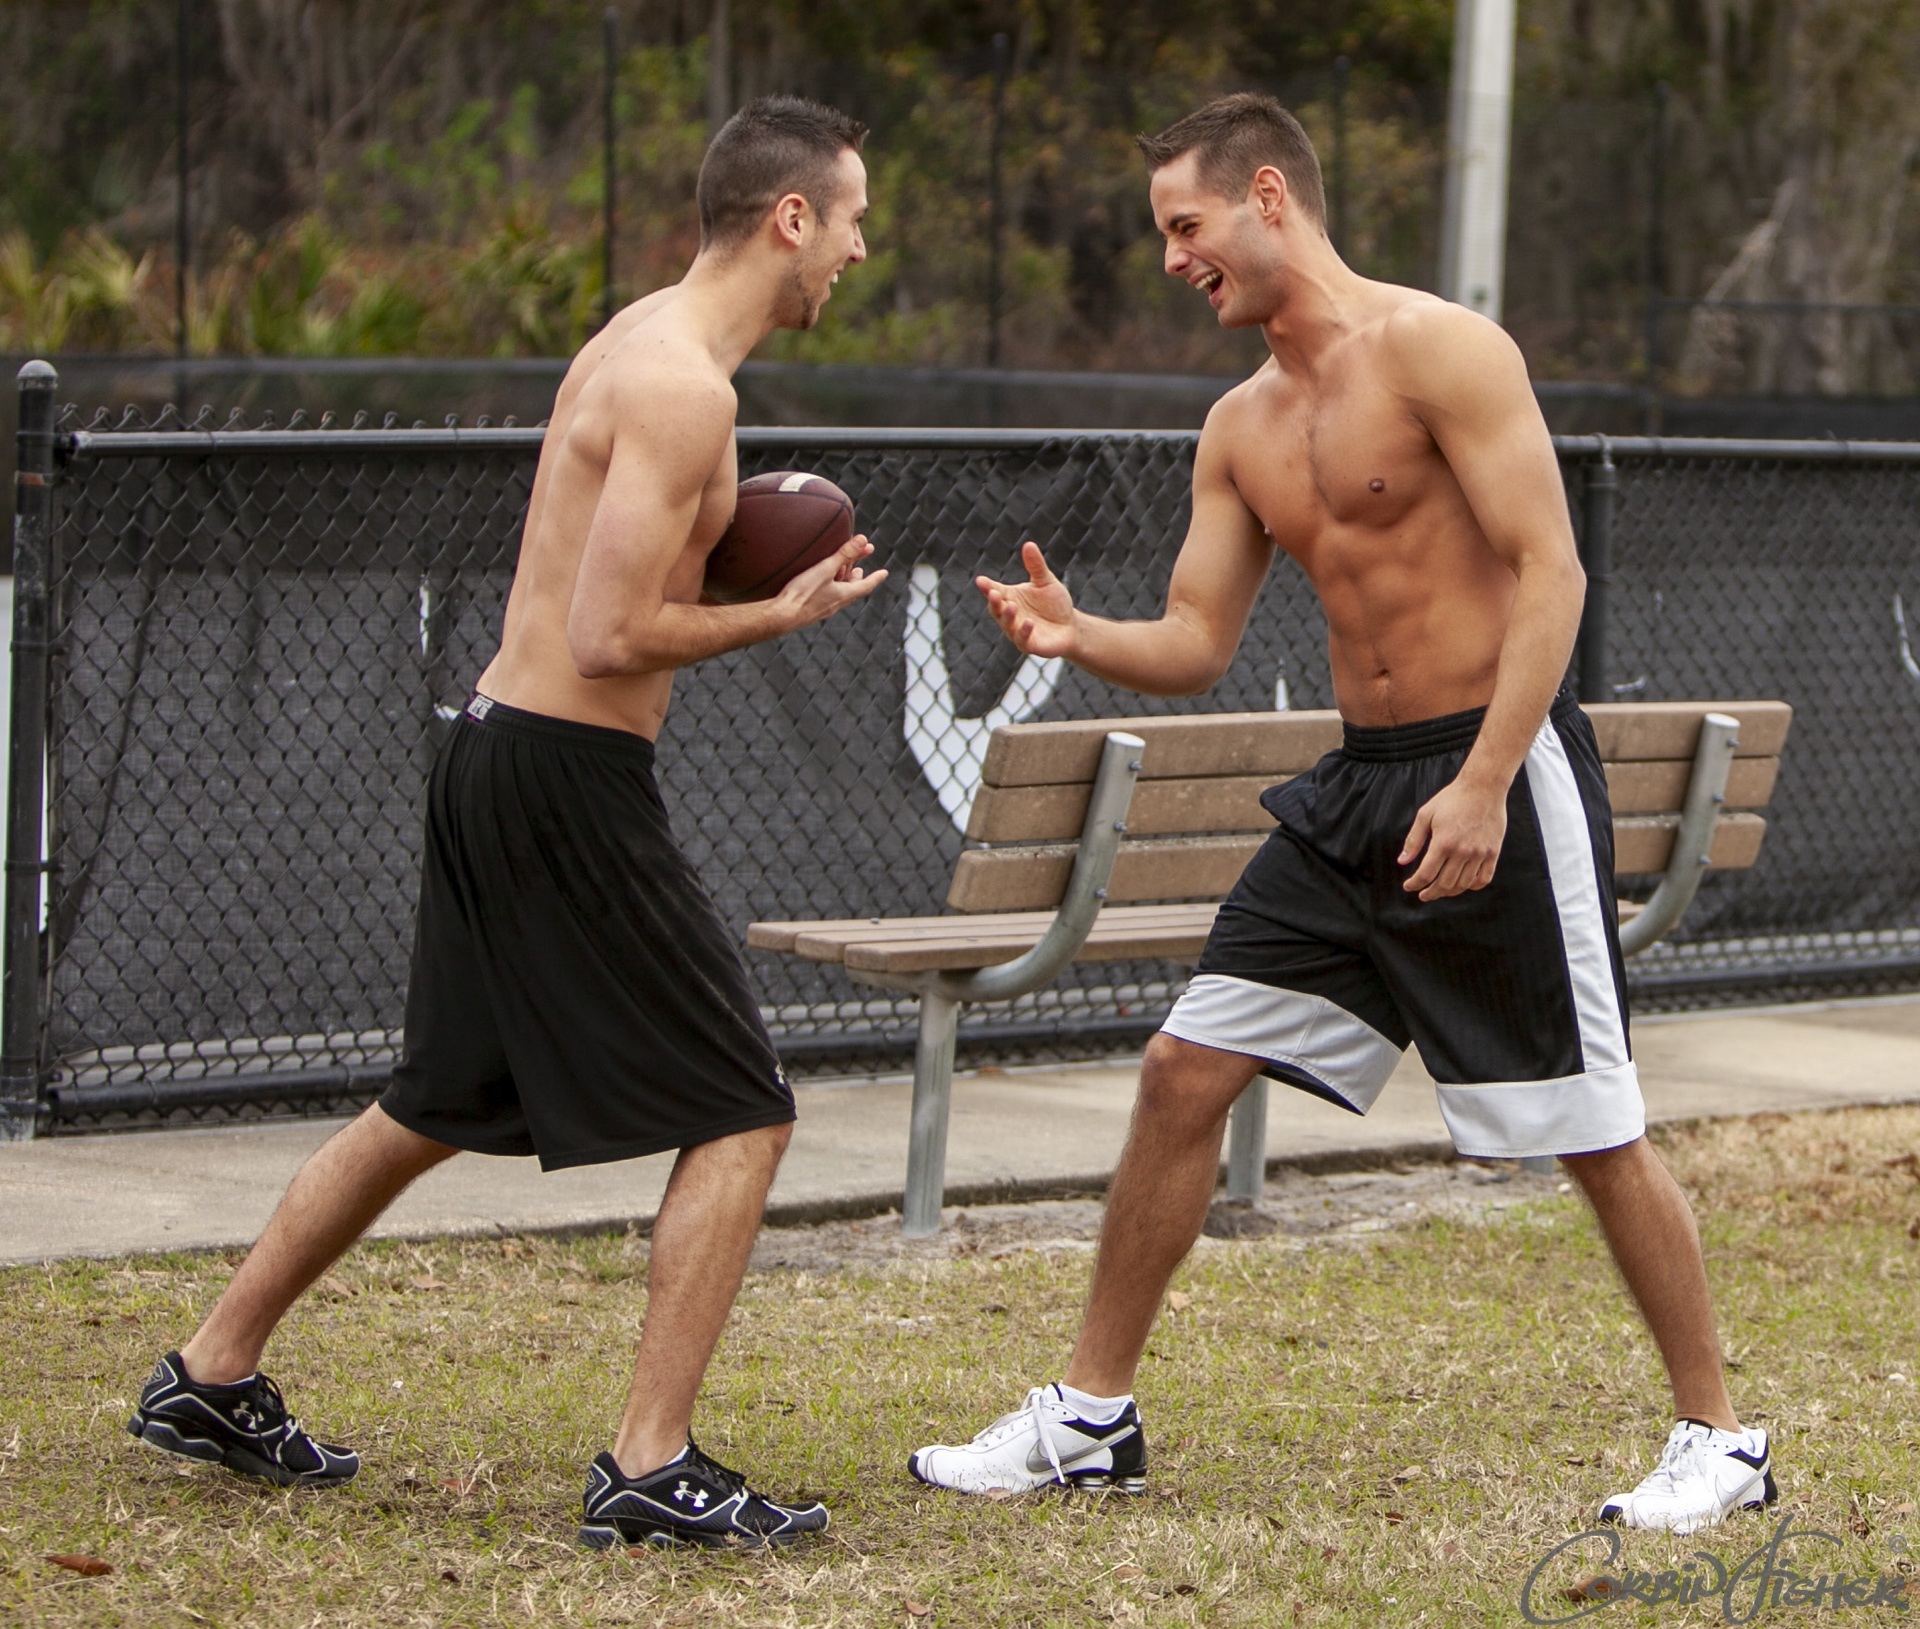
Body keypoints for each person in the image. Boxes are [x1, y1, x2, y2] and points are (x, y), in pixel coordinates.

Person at [908, 94, 1774, 1538]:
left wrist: (1485, 780)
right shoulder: (1239, 426)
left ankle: (1722, 1437)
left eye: (1186, 225)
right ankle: (1091, 1417)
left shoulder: (1441, 349)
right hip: (1356, 791)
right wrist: (1078, 634)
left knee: (1592, 1124)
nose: (1174, 259)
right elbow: (1197, 638)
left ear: (1268, 195)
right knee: (1183, 1068)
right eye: (1164, 236)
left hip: (1497, 769)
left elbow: (1550, 571)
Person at [126, 96, 885, 1552]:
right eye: (850, 221)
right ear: (791, 217)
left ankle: (210, 1373)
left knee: (431, 1104)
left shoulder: (638, 339)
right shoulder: (683, 386)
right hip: (560, 773)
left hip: (499, 747)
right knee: (746, 1109)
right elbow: (609, 635)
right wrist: (775, 613)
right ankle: (650, 1463)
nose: (856, 250)